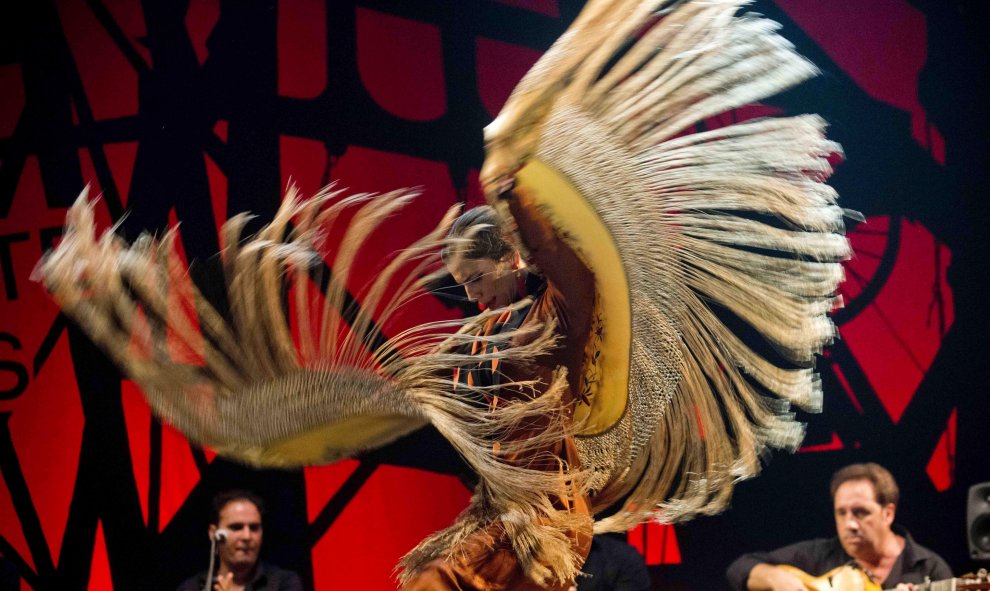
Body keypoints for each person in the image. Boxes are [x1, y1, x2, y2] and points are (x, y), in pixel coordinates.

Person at [398, 200, 596, 591]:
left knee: (433, 583)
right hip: (503, 511)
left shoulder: (551, 316)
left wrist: (512, 183)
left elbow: (555, 253)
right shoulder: (482, 337)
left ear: (508, 257)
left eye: (476, 279)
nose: (472, 296)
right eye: (463, 283)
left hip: (547, 517)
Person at [726, 463, 952, 591]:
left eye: (861, 512)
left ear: (888, 513)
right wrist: (778, 580)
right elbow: (739, 568)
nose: (850, 524)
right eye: (841, 513)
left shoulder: (929, 569)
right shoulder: (820, 554)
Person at [177, 490, 302, 591]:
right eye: (236, 527)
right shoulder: (191, 588)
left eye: (254, 528)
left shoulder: (283, 583)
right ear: (214, 533)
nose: (247, 536)